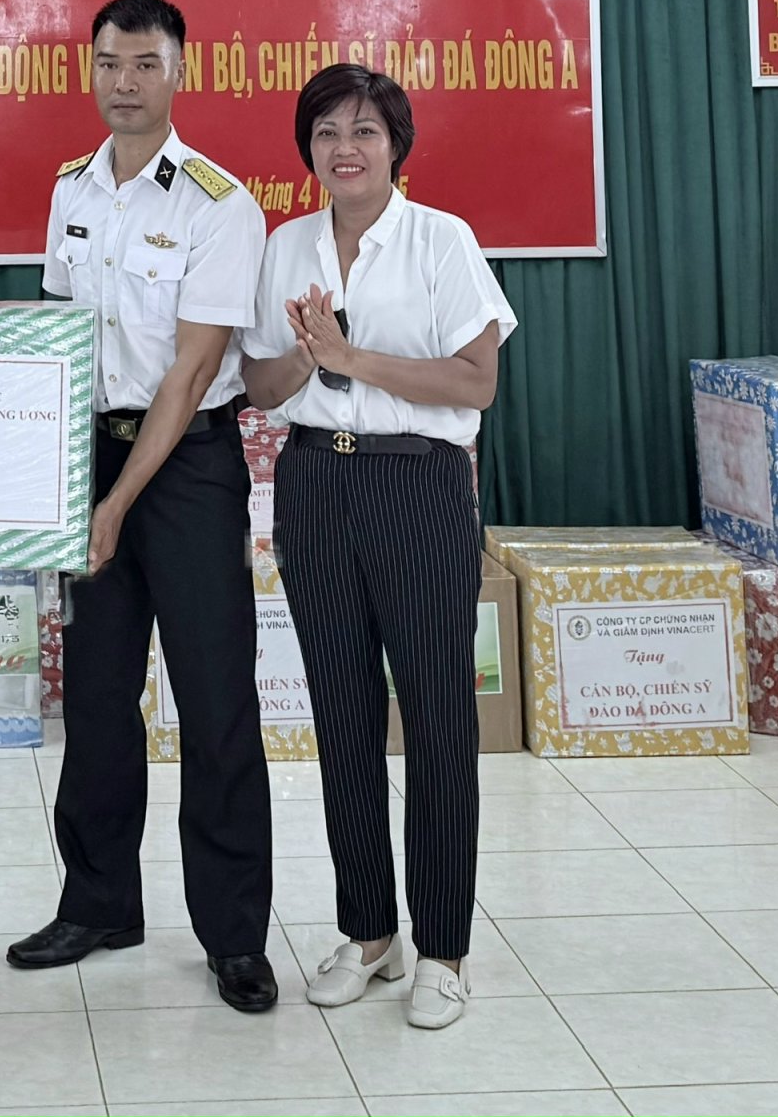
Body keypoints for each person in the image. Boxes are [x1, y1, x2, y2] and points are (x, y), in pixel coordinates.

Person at [8, 0, 277, 1013]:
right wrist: (52, 481)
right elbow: (57, 344)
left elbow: (192, 369)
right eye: (109, 64)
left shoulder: (219, 204)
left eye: (145, 64)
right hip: (90, 460)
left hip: (188, 471)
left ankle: (234, 936)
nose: (124, 83)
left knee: (214, 702)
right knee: (94, 696)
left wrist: (115, 505)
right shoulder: (69, 189)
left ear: (179, 72)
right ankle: (98, 902)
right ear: (90, 70)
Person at [241, 64, 515, 1030]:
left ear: (396, 144)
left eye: (363, 131)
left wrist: (351, 356)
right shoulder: (286, 246)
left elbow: (476, 382)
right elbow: (261, 389)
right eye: (325, 133)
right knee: (341, 715)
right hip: (316, 483)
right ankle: (369, 934)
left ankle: (443, 949)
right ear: (307, 149)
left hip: (419, 484)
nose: (344, 149)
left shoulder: (441, 239)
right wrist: (305, 355)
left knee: (437, 720)